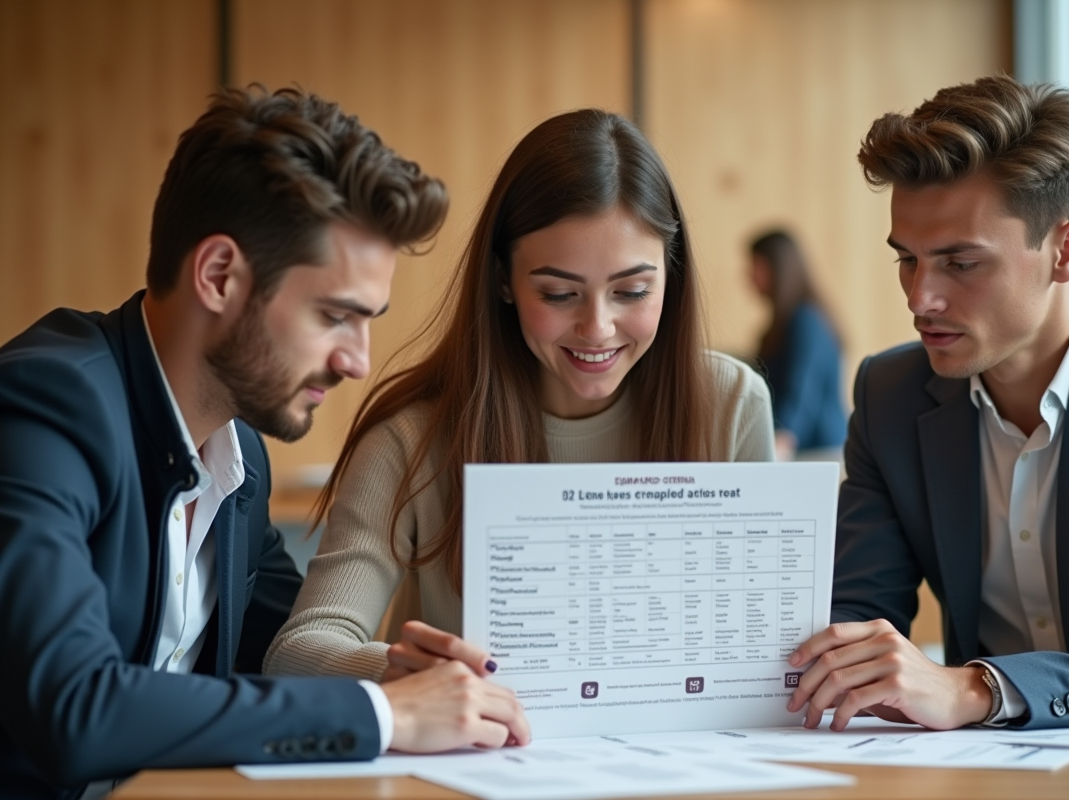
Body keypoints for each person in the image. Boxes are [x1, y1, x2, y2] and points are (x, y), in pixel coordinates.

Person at [0, 86, 529, 800]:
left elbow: (287, 659)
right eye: (335, 315)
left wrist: (392, 674)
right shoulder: (47, 406)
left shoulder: (238, 452)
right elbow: (73, 706)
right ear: (219, 276)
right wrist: (382, 712)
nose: (358, 361)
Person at [263, 108, 774, 682]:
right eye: (559, 294)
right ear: (504, 280)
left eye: (632, 291)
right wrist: (418, 676)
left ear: (670, 278)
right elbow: (300, 650)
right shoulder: (411, 438)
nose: (598, 327)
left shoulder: (732, 404)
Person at [785, 74, 1069, 732]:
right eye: (908, 260)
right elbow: (858, 620)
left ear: (1068, 251)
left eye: (960, 263)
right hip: (978, 773)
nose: (920, 299)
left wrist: (980, 689)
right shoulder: (888, 396)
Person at [748, 229, 847, 460]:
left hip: (819, 452)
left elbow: (801, 390)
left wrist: (781, 441)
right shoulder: (783, 324)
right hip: (802, 449)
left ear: (777, 268)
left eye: (756, 266)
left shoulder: (806, 322)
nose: (749, 275)